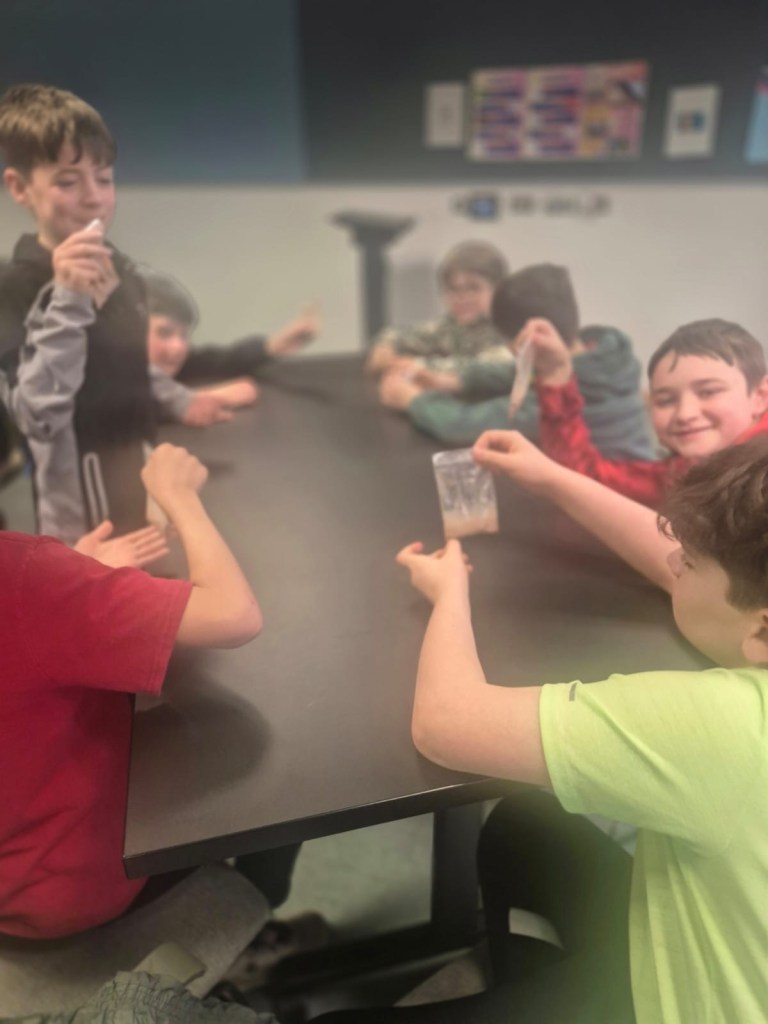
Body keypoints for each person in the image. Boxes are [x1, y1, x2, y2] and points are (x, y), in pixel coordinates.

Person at [316, 434, 768, 1023]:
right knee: (524, 825)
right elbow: (715, 574)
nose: (672, 562)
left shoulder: (722, 726)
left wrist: (449, 593)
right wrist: (549, 475)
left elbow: (447, 723)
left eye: (688, 562)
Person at [0, 442, 262, 939]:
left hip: (12, 876)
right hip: (68, 885)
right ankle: (269, 923)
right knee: (268, 771)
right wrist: (178, 494)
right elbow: (235, 615)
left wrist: (71, 574)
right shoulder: (18, 575)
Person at [0, 84, 170, 550]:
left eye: (104, 178)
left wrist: (182, 402)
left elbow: (127, 370)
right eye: (68, 181)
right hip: (82, 534)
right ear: (20, 187)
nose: (95, 198)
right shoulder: (11, 290)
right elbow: (35, 415)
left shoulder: (122, 271)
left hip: (145, 506)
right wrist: (69, 299)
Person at [379, 264, 656, 459]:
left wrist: (412, 400)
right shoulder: (601, 355)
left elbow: (464, 425)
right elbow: (516, 372)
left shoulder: (561, 393)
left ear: (526, 343)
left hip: (612, 499)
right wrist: (453, 380)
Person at [519, 314, 768, 506]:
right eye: (665, 401)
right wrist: (554, 373)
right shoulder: (681, 475)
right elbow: (587, 479)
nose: (685, 414)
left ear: (760, 396)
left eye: (708, 392)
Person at [141, 268, 320, 428]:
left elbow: (219, 360)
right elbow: (128, 408)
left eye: (183, 336)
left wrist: (273, 345)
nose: (179, 347)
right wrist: (201, 399)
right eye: (164, 333)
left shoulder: (171, 361)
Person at [366, 241, 510, 376]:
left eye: (473, 288)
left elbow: (482, 368)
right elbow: (403, 335)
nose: (461, 298)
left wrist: (414, 366)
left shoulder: (509, 327)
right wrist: (385, 345)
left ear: (498, 289)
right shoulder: (450, 326)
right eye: (453, 289)